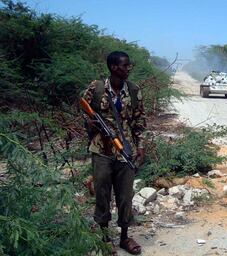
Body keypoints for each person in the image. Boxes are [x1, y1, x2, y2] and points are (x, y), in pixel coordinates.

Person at [83, 51, 146, 255]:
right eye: (124, 65)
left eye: (129, 65)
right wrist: (91, 123)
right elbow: (83, 108)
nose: (128, 69)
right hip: (101, 150)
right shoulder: (97, 88)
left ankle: (125, 237)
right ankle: (104, 238)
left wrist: (141, 147)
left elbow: (140, 122)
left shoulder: (134, 90)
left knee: (126, 196)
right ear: (113, 67)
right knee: (102, 194)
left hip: (126, 149)